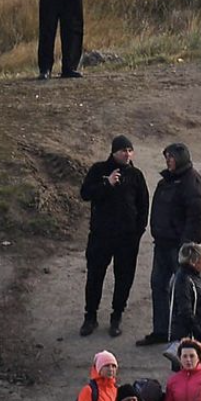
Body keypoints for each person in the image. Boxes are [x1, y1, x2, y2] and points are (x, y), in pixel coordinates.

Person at [78, 136, 149, 339]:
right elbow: (85, 193)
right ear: (113, 152)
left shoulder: (136, 175)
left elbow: (143, 205)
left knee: (124, 277)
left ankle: (117, 316)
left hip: (127, 239)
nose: (126, 154)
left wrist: (138, 231)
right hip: (101, 236)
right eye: (122, 150)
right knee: (94, 276)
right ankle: (90, 316)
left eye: (129, 150)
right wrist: (107, 184)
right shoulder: (99, 169)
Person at [141, 144, 201, 346]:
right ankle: (161, 330)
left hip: (178, 248)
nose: (167, 160)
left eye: (170, 157)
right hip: (161, 244)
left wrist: (186, 248)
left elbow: (196, 217)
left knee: (183, 293)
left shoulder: (191, 182)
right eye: (166, 157)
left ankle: (186, 335)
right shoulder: (167, 181)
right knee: (158, 286)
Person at [167, 243, 201, 345]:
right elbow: (185, 311)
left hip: (197, 336)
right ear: (194, 261)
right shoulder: (184, 280)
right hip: (190, 339)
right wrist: (198, 332)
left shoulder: (192, 277)